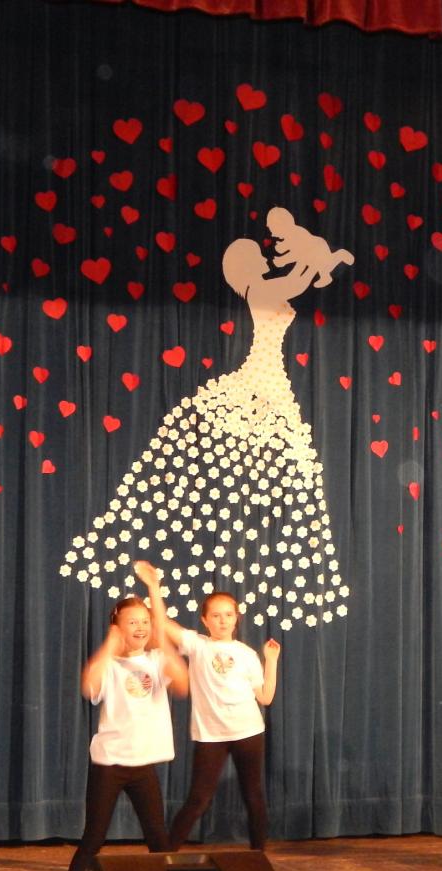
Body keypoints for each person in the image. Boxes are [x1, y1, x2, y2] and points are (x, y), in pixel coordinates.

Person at [60, 215, 351, 633]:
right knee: (256, 464)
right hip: (261, 381)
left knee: (271, 467)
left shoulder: (264, 287)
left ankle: (240, 521)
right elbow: (297, 283)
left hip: (272, 384)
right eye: (258, 257)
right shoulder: (263, 289)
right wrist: (316, 259)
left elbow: (300, 280)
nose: (266, 260)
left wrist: (317, 258)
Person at [48, 562, 189, 871]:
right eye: (132, 622)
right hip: (110, 763)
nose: (140, 627)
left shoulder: (156, 660)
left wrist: (154, 589)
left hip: (143, 765)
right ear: (117, 626)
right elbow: (88, 685)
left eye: (145, 621)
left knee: (158, 839)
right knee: (93, 838)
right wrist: (109, 646)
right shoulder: (108, 665)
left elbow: (182, 683)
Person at [132, 561, 280, 851]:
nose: (223, 621)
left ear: (236, 619)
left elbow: (265, 697)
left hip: (248, 731)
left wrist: (271, 661)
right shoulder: (197, 645)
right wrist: (153, 586)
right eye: (216, 615)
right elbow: (161, 623)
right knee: (198, 799)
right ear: (204, 620)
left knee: (253, 797)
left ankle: (258, 857)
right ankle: (164, 857)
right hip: (211, 735)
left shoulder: (247, 654)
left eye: (228, 615)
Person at [267, 206, 354, 288]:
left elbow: (297, 254)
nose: (272, 234)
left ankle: (339, 255)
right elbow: (287, 249)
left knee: (325, 265)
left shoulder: (296, 233)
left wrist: (283, 260)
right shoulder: (290, 234)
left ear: (282, 225)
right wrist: (280, 248)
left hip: (318, 249)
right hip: (309, 254)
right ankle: (295, 278)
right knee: (305, 262)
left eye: (273, 230)